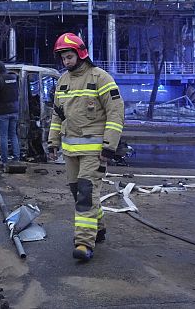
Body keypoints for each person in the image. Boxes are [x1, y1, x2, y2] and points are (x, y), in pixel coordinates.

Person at [48, 32, 125, 262]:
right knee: (79, 194)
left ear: (81, 54)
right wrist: (53, 141)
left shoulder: (100, 78)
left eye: (69, 57)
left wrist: (109, 146)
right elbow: (57, 115)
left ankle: (84, 242)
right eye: (63, 58)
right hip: (70, 151)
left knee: (86, 194)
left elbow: (115, 111)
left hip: (94, 152)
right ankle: (98, 228)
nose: (66, 62)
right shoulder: (63, 81)